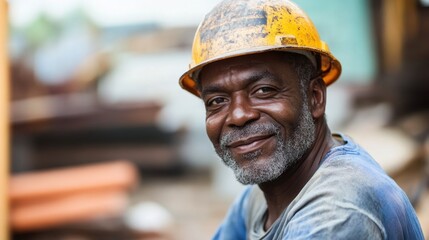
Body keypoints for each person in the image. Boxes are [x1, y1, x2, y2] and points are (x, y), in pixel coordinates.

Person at [179, 0, 424, 239]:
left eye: (263, 90)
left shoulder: (339, 212)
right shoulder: (262, 196)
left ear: (315, 97)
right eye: (217, 101)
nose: (239, 115)